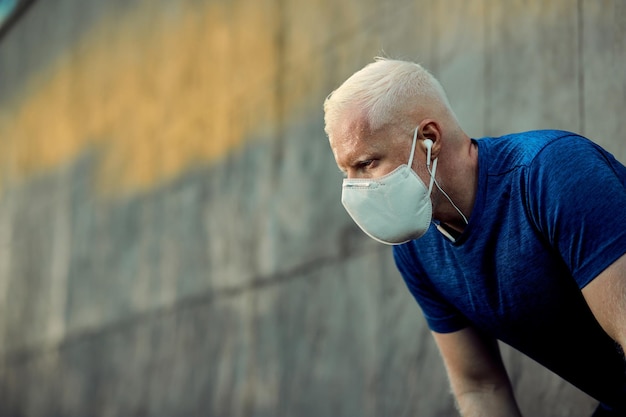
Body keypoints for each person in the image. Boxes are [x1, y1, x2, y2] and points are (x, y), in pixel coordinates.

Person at [323, 57, 626, 416]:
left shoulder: (550, 172)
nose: (357, 188)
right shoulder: (418, 250)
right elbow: (480, 386)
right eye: (347, 172)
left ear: (429, 139)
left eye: (367, 163)